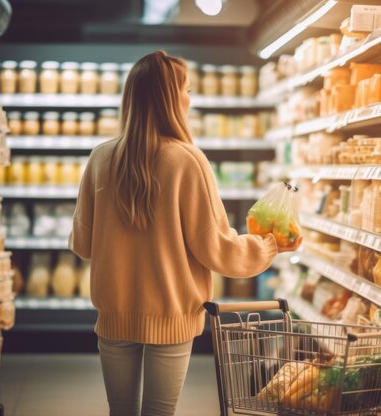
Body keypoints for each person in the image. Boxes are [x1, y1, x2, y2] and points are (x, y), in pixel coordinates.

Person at [69, 50, 301, 416]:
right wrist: (271, 245)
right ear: (171, 100)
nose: (190, 99)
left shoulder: (100, 158)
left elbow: (82, 244)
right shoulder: (188, 160)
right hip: (171, 315)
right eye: (187, 90)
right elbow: (219, 250)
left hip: (113, 313)